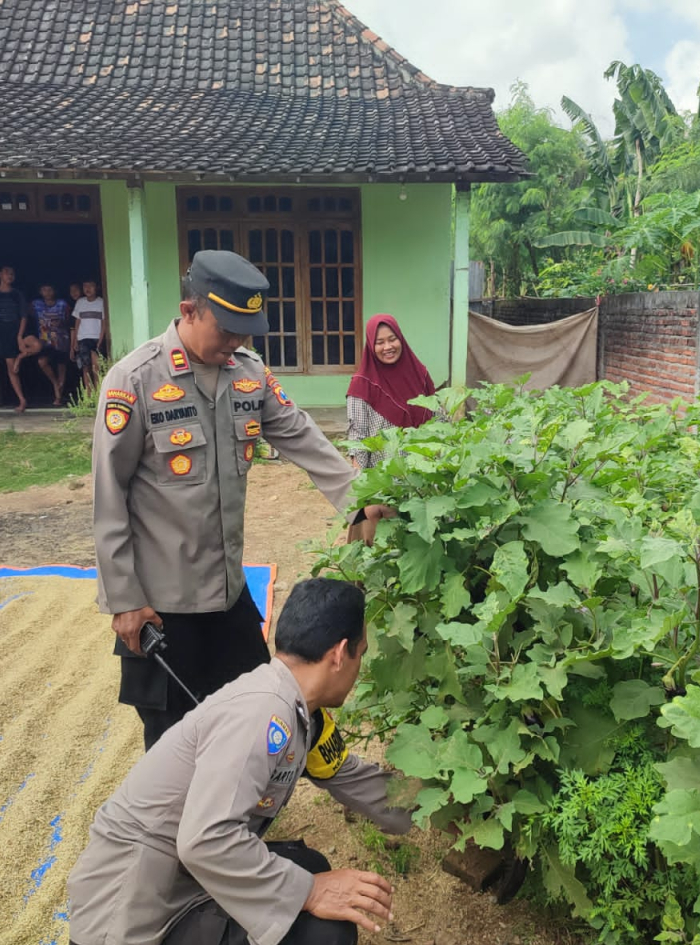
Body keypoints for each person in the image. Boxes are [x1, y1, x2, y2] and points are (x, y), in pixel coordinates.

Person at [93, 249, 371, 750]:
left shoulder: (249, 374)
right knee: (175, 744)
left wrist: (361, 500)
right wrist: (125, 600)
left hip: (228, 596)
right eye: (227, 330)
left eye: (246, 332)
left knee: (259, 721)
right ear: (189, 310)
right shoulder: (135, 380)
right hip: (162, 608)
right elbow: (108, 495)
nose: (237, 342)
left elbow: (302, 436)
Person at [67, 577, 410, 945]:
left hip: (173, 885)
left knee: (308, 866)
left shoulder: (295, 706)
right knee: (324, 936)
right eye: (361, 654)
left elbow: (347, 773)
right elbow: (205, 840)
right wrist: (312, 893)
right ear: (340, 654)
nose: (360, 667)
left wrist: (434, 806)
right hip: (125, 932)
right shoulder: (263, 712)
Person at [346, 314, 436, 469]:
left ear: (400, 339)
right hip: (384, 477)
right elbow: (358, 439)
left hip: (424, 474)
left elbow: (438, 421)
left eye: (392, 339)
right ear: (371, 346)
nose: (387, 347)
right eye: (379, 342)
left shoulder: (420, 375)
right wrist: (360, 479)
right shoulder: (361, 385)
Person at [0, 265, 39, 413]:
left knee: (36, 345)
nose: (9, 276)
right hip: (3, 333)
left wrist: (20, 336)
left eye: (12, 274)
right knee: (11, 369)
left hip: (19, 330)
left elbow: (23, 316)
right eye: (6, 273)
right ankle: (22, 400)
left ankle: (20, 357)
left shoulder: (17, 294)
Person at [32, 283, 72, 406]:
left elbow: (69, 320)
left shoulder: (62, 304)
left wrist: (60, 324)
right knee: (42, 362)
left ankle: (58, 396)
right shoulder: (36, 304)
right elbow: (28, 316)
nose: (47, 292)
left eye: (50, 289)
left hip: (61, 341)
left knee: (61, 368)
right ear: (40, 291)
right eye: (44, 290)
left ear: (54, 291)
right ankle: (55, 383)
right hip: (45, 341)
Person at [72, 279, 109, 391]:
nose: (87, 289)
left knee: (96, 367)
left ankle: (97, 393)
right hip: (83, 338)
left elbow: (104, 323)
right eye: (85, 286)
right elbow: (77, 322)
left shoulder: (101, 302)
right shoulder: (80, 302)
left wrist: (100, 340)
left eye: (90, 286)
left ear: (96, 287)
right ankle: (88, 394)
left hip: (96, 338)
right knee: (85, 367)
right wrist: (75, 340)